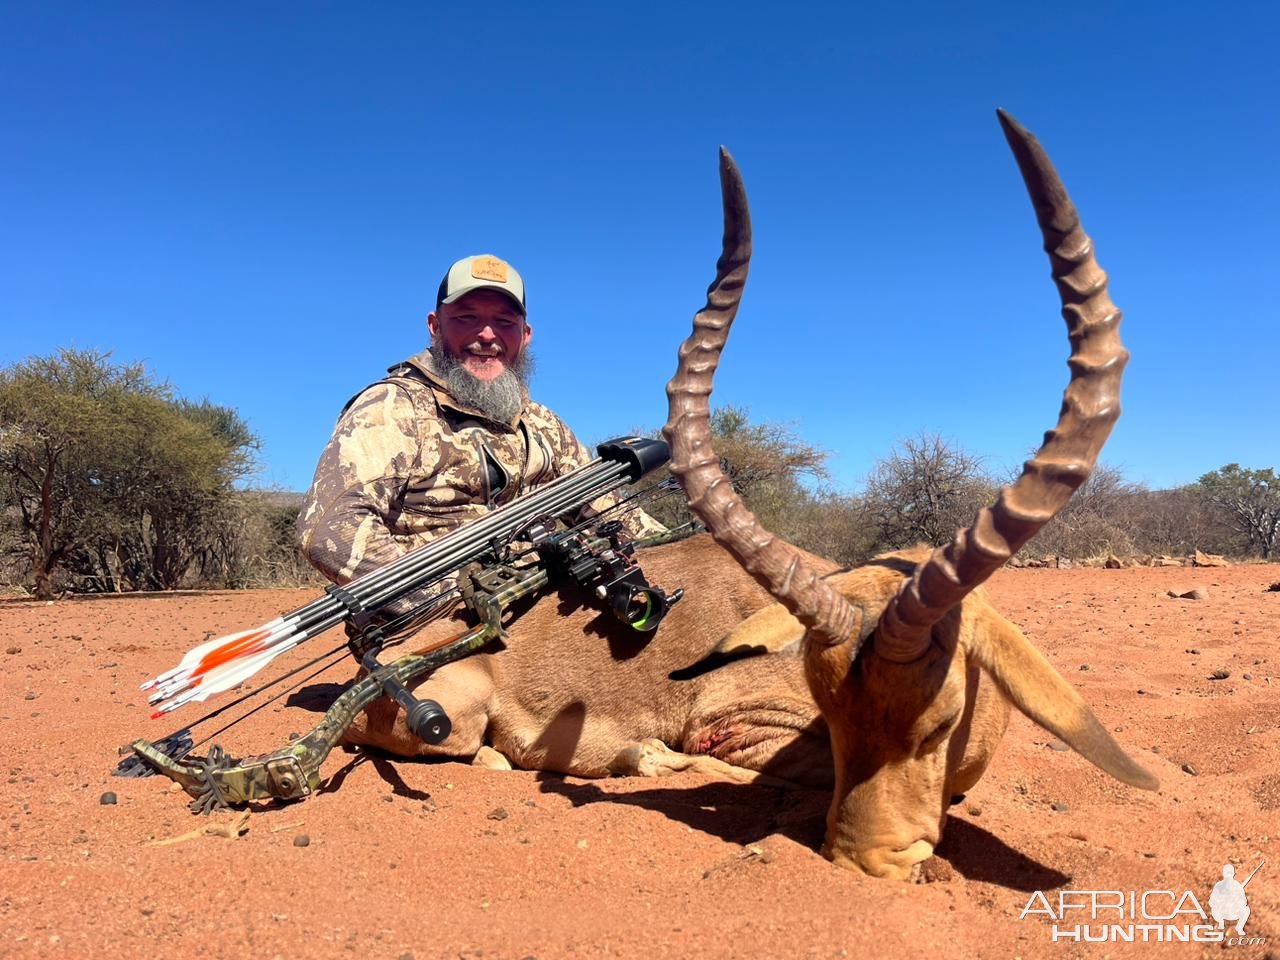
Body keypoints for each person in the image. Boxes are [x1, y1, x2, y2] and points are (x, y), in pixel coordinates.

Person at [296, 253, 665, 625]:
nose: (486, 335)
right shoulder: (394, 407)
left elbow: (608, 511)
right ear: (434, 325)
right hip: (441, 629)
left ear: (525, 335)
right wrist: (447, 606)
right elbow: (329, 529)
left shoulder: (542, 422)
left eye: (504, 321)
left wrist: (686, 550)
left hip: (544, 608)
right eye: (467, 317)